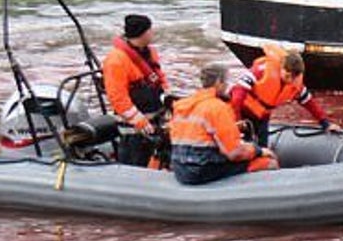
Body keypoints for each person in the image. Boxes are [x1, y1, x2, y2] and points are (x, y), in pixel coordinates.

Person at [168, 64, 278, 185]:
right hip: (202, 171)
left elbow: (199, 133)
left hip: (181, 168)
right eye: (226, 81)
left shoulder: (182, 105)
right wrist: (259, 151)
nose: (227, 85)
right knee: (269, 162)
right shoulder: (218, 108)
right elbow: (234, 153)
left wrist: (233, 128)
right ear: (219, 82)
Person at [228, 45, 339, 144]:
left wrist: (325, 124)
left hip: (262, 117)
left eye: (293, 77)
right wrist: (237, 119)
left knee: (262, 147)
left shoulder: (296, 85)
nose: (290, 80)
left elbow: (310, 104)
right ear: (281, 67)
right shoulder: (261, 71)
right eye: (287, 75)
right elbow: (238, 92)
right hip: (242, 111)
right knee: (241, 146)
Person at [102, 14, 169, 167]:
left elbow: (159, 77)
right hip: (133, 127)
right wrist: (139, 120)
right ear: (143, 33)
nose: (153, 33)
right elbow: (117, 97)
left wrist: (168, 99)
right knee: (134, 160)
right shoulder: (116, 60)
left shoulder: (150, 52)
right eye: (150, 30)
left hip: (155, 118)